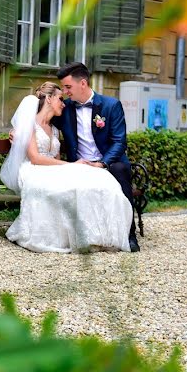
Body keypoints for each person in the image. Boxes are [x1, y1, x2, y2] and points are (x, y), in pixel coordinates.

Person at [1, 82, 133, 253]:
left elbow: (55, 159)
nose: (64, 103)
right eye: (60, 98)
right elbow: (35, 158)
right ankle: (68, 238)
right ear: (48, 98)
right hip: (33, 170)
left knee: (97, 179)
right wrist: (71, 165)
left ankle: (104, 235)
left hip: (52, 169)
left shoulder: (55, 129)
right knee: (68, 186)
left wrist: (70, 167)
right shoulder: (30, 125)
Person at [54, 62, 140, 252]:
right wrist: (18, 130)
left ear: (82, 83)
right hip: (79, 164)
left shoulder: (111, 105)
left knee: (121, 169)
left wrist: (102, 163)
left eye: (68, 87)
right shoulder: (65, 108)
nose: (65, 91)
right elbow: (39, 117)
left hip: (108, 163)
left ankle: (129, 234)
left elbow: (120, 141)